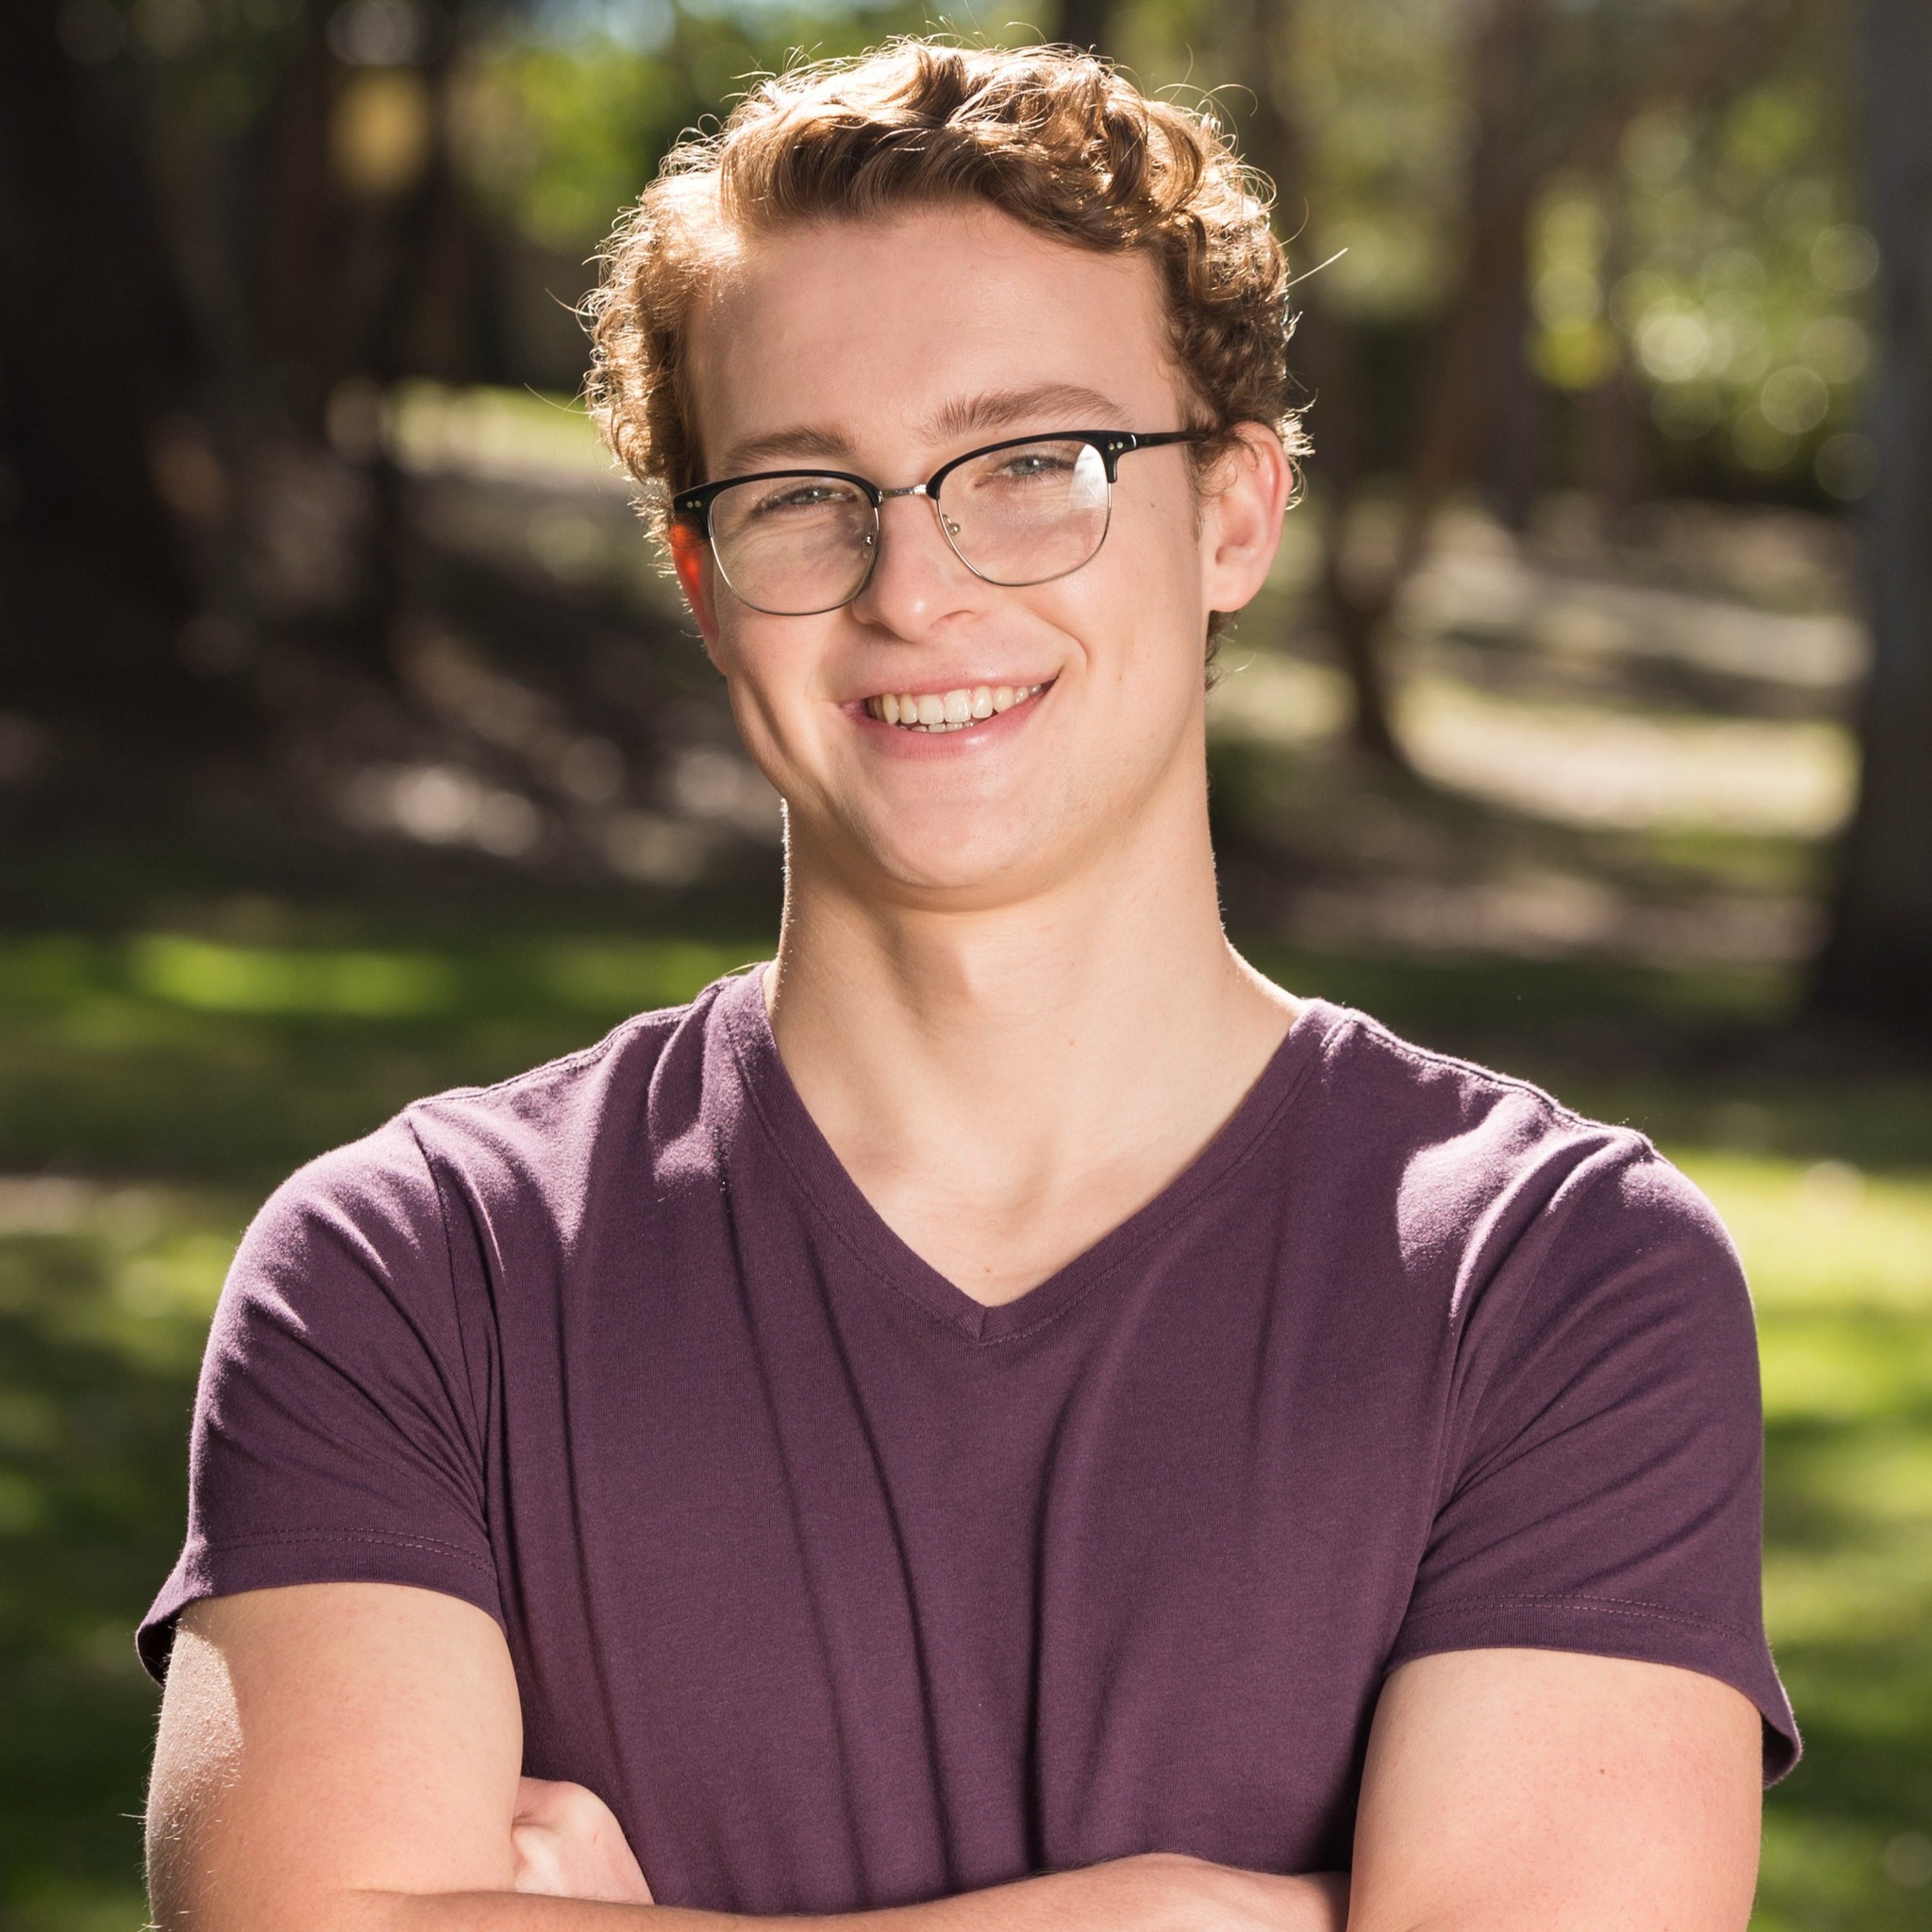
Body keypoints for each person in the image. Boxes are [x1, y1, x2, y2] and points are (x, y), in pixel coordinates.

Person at [140, 39, 1797, 1932]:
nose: (913, 587)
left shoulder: (1553, 1278)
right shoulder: (415, 1272)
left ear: (1237, 513)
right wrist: (1193, 1919)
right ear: (702, 579)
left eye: (1031, 466)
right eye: (801, 493)